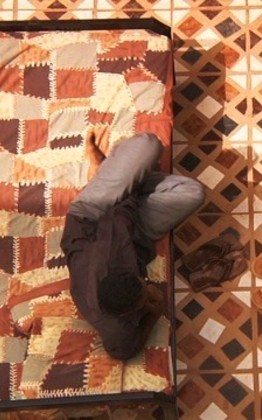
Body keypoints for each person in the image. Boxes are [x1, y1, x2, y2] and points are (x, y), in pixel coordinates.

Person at [61, 132, 204, 360]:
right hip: (134, 231)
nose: (149, 290)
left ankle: (106, 173)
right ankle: (120, 174)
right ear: (123, 314)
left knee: (149, 144)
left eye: (144, 286)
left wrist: (127, 186)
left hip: (92, 214)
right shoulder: (113, 325)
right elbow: (124, 351)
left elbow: (118, 212)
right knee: (193, 193)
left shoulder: (110, 252)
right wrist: (156, 310)